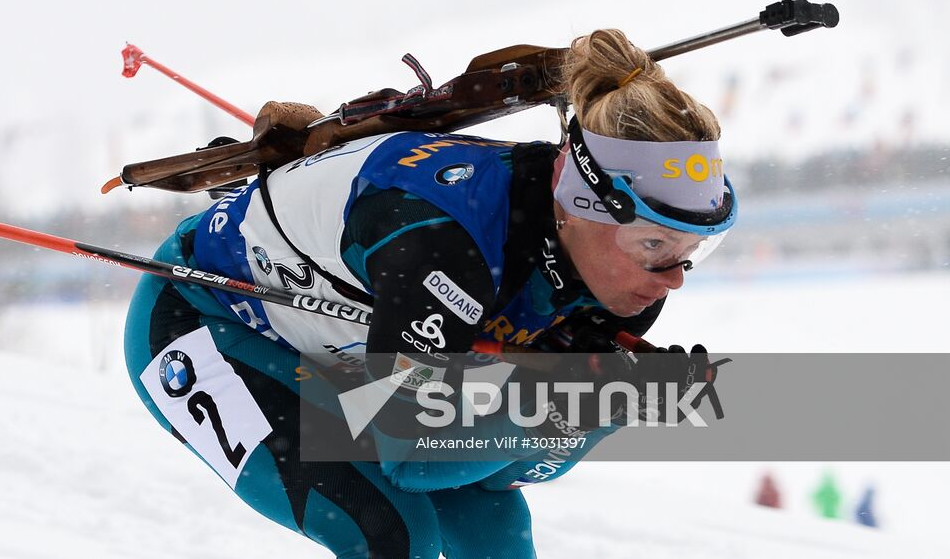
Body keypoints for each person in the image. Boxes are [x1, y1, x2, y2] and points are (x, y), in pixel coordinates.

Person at [123, 29, 735, 558]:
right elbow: (414, 456)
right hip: (206, 323)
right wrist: (579, 405)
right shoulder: (441, 250)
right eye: (653, 243)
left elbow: (504, 472)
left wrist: (605, 405)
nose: (673, 276)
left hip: (352, 347)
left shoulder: (623, 284)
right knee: (390, 536)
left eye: (691, 249)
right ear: (581, 205)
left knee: (493, 535)